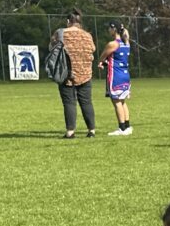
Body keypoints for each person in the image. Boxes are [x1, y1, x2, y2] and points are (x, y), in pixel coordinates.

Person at [52, 8, 96, 138]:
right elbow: (92, 49)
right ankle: (91, 130)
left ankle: (70, 132)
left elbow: (52, 47)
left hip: (67, 74)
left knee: (69, 102)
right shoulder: (87, 35)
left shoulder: (61, 33)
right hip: (85, 73)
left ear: (68, 21)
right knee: (86, 102)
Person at [96, 19, 133, 136]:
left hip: (115, 76)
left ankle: (121, 128)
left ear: (114, 29)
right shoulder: (127, 43)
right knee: (122, 101)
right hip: (125, 75)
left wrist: (101, 62)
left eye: (110, 28)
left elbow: (103, 56)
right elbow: (116, 59)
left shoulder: (113, 44)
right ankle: (127, 126)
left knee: (116, 101)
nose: (108, 30)